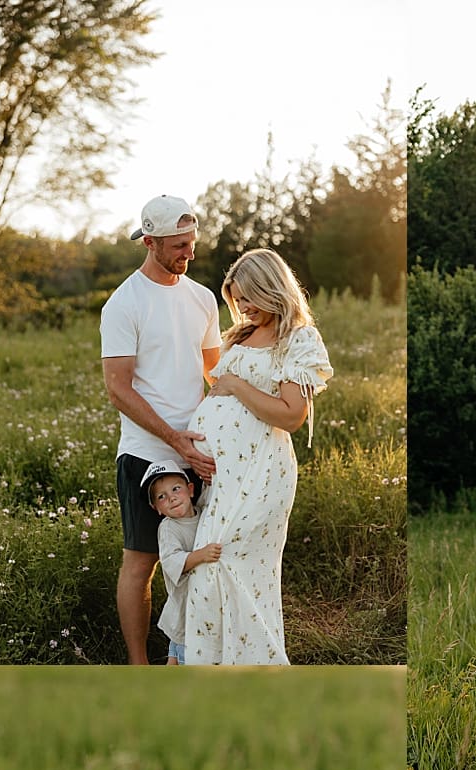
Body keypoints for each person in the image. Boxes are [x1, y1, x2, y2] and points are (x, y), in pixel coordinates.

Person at [181, 248, 332, 664]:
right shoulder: (241, 335)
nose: (243, 307)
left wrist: (235, 385)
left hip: (261, 474)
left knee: (232, 567)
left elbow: (291, 415)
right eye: (237, 299)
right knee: (208, 573)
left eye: (249, 297)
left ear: (271, 289)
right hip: (220, 479)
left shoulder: (298, 338)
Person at [100, 194, 222, 664]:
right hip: (146, 454)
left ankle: (195, 655)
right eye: (178, 246)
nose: (189, 253)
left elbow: (215, 375)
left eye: (191, 242)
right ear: (149, 242)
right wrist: (174, 440)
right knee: (142, 563)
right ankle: (139, 666)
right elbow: (118, 388)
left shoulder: (202, 298)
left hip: (199, 453)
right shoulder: (123, 304)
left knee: (206, 554)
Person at [143, 461, 222, 663]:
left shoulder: (203, 513)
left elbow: (213, 492)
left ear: (191, 490)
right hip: (186, 611)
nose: (171, 498)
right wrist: (201, 555)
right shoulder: (169, 528)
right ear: (156, 508)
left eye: (176, 488)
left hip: (202, 604)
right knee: (187, 654)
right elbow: (172, 561)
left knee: (176, 656)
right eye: (161, 497)